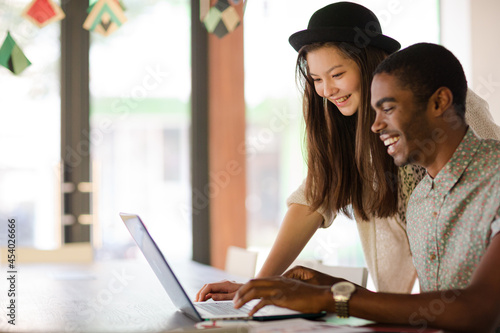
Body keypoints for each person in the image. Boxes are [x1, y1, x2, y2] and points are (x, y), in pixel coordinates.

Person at [196, 2, 500, 301]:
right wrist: (259, 284)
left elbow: (485, 172)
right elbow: (315, 196)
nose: (326, 91)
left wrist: (337, 298)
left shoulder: (454, 124)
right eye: (316, 79)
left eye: (337, 75)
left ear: (370, 64)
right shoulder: (417, 196)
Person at [232, 42, 500, 333]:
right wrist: (331, 287)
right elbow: (433, 312)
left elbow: (478, 310)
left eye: (387, 108)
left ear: (438, 103)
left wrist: (331, 298)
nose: (374, 126)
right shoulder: (422, 200)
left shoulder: (491, 177)